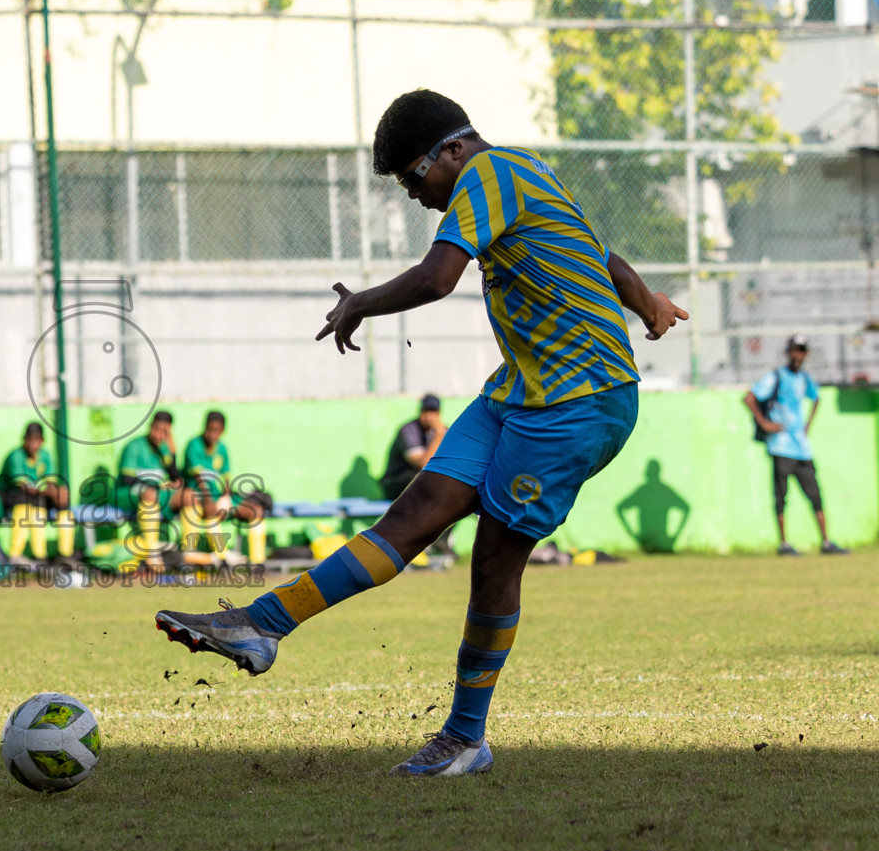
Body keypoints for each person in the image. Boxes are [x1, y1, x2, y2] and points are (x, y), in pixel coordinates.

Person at [155, 88, 689, 777]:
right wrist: (649, 305)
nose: (412, 193)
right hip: (519, 393)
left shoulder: (487, 175)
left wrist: (360, 304)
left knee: (494, 560)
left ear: (455, 150)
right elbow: (602, 255)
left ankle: (466, 736)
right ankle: (262, 625)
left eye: (413, 176)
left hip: (579, 402)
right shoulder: (527, 174)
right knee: (416, 512)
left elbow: (439, 279)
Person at [745, 335, 849, 556]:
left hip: (801, 448)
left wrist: (808, 425)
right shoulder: (777, 377)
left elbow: (816, 398)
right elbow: (749, 397)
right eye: (794, 350)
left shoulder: (804, 379)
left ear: (805, 354)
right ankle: (784, 544)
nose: (798, 355)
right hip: (781, 447)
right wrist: (765, 423)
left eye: (801, 350)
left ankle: (826, 542)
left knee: (815, 494)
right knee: (781, 496)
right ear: (788, 352)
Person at [181, 410, 267, 564]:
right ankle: (222, 560)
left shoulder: (222, 449)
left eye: (217, 430)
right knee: (212, 514)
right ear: (205, 427)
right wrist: (209, 502)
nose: (212, 434)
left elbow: (226, 477)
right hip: (200, 497)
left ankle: (257, 563)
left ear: (222, 431)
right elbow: (198, 477)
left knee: (256, 511)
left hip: (217, 497)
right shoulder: (194, 445)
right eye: (210, 429)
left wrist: (225, 497)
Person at [116, 411, 195, 568]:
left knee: (189, 495)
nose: (159, 435)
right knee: (149, 493)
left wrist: (172, 453)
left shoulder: (163, 449)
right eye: (157, 430)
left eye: (164, 432)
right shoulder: (134, 446)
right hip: (127, 493)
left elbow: (175, 478)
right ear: (151, 426)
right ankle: (153, 555)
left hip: (156, 495)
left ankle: (188, 553)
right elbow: (128, 478)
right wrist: (158, 486)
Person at [381, 394, 454, 559]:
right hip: (395, 483)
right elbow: (424, 463)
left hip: (423, 487)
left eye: (432, 411)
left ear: (439, 413)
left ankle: (440, 540)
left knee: (457, 489)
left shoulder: (445, 431)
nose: (428, 416)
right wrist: (439, 434)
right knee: (426, 476)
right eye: (425, 411)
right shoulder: (408, 430)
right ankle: (419, 543)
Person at [0, 422, 75, 562]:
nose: (33, 445)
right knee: (28, 502)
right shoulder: (15, 456)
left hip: (37, 497)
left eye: (36, 440)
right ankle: (24, 555)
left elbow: (50, 482)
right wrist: (51, 492)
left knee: (63, 503)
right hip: (10, 499)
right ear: (24, 439)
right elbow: (24, 487)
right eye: (29, 440)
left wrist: (58, 492)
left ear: (42, 441)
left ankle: (65, 555)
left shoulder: (45, 456)